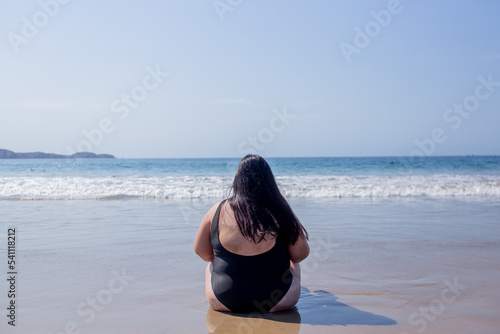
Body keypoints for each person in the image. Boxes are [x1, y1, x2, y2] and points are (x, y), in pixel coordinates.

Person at [194, 155, 309, 313]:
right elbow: (300, 255)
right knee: (294, 264)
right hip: (278, 300)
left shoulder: (217, 210)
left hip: (224, 301)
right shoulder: (281, 211)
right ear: (269, 181)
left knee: (211, 264)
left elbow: (201, 251)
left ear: (237, 180)